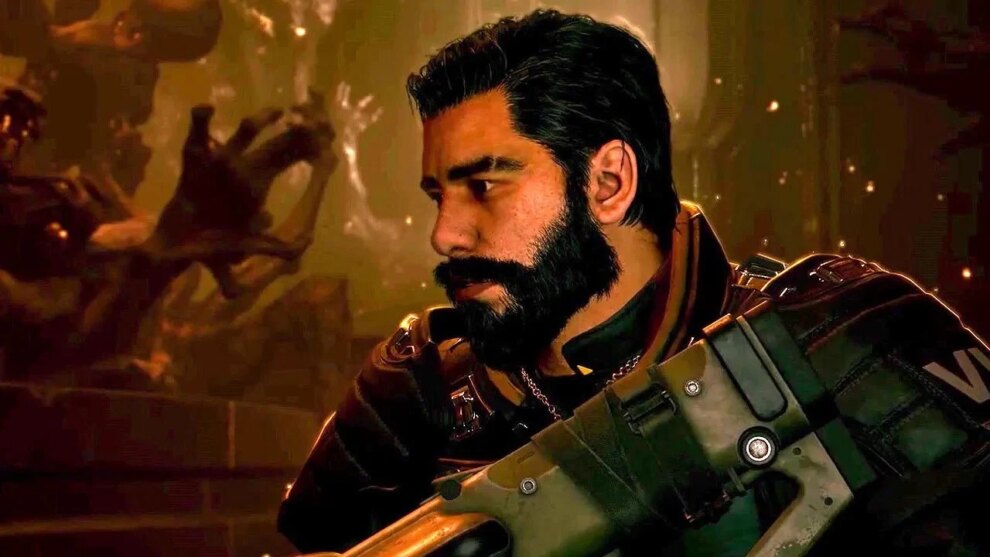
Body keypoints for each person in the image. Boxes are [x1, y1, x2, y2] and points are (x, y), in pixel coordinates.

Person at [278, 10, 990, 556]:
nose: (445, 235)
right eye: (439, 195)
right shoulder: (411, 398)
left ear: (609, 181)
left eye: (484, 186)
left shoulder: (832, 340)